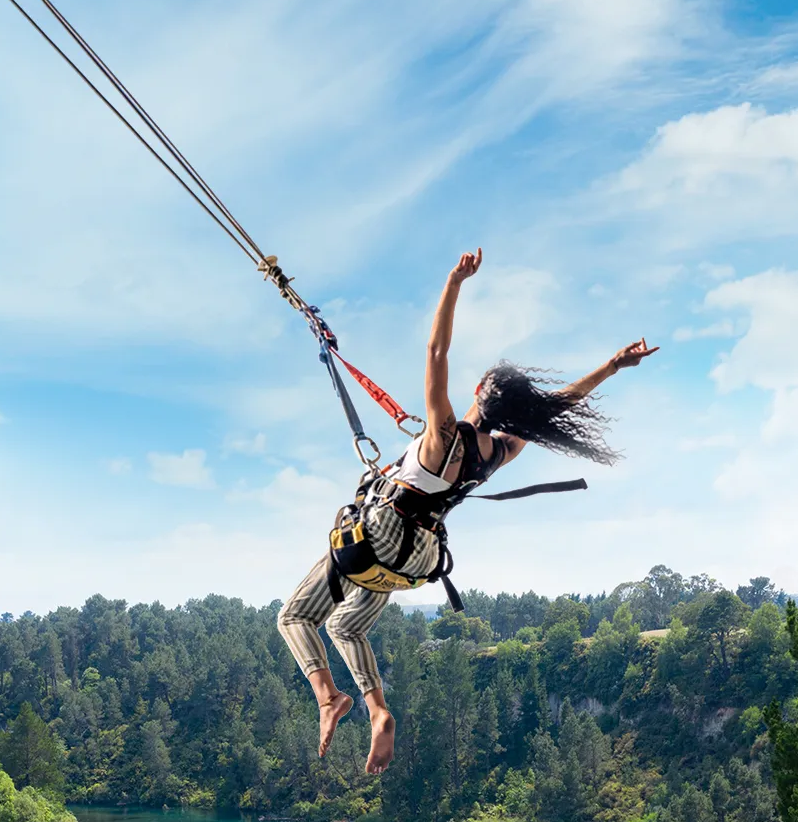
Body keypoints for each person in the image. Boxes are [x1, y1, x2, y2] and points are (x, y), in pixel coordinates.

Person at [277, 249, 658, 776]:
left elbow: (437, 350)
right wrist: (613, 367)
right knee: (346, 627)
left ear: (480, 392)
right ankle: (377, 710)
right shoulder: (498, 454)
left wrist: (454, 283)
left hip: (385, 535)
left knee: (295, 616)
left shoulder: (442, 436)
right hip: (419, 560)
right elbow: (555, 408)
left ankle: (327, 698)